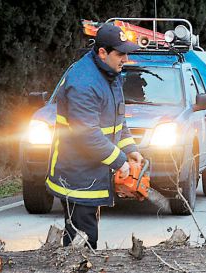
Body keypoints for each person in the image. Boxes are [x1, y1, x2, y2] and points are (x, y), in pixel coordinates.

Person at [45, 24, 142, 250]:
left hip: (93, 171)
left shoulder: (111, 74)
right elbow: (87, 135)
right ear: (102, 52)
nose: (125, 58)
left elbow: (118, 120)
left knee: (87, 235)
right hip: (76, 174)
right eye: (120, 54)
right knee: (82, 241)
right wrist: (120, 162)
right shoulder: (83, 82)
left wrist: (131, 149)